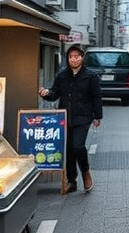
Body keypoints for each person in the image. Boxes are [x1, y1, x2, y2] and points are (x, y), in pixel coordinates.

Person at [38, 45, 102, 194]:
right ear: (68, 58)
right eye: (71, 56)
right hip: (65, 117)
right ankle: (71, 180)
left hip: (83, 117)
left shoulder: (90, 76)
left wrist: (97, 116)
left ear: (82, 58)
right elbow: (55, 93)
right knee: (69, 149)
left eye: (77, 56)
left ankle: (85, 172)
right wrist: (46, 93)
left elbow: (96, 97)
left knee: (78, 146)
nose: (74, 59)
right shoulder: (62, 75)